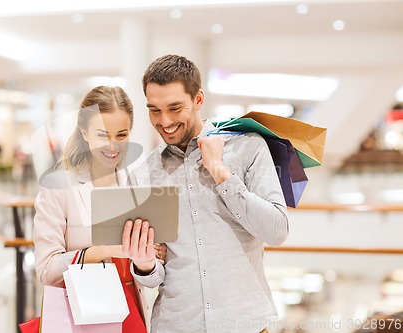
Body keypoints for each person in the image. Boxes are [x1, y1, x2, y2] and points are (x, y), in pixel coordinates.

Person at [121, 55, 290, 333]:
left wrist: (220, 171)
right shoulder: (142, 175)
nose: (165, 121)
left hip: (244, 323)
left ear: (198, 99)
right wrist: (143, 263)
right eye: (154, 110)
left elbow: (277, 231)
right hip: (176, 324)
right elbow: (152, 278)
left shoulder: (248, 148)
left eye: (175, 108)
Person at [33, 86, 164, 332]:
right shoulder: (59, 186)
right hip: (83, 316)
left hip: (131, 313)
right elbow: (47, 270)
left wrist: (146, 259)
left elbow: (150, 274)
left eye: (122, 135)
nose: (113, 146)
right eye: (103, 135)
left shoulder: (137, 183)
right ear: (84, 132)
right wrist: (103, 250)